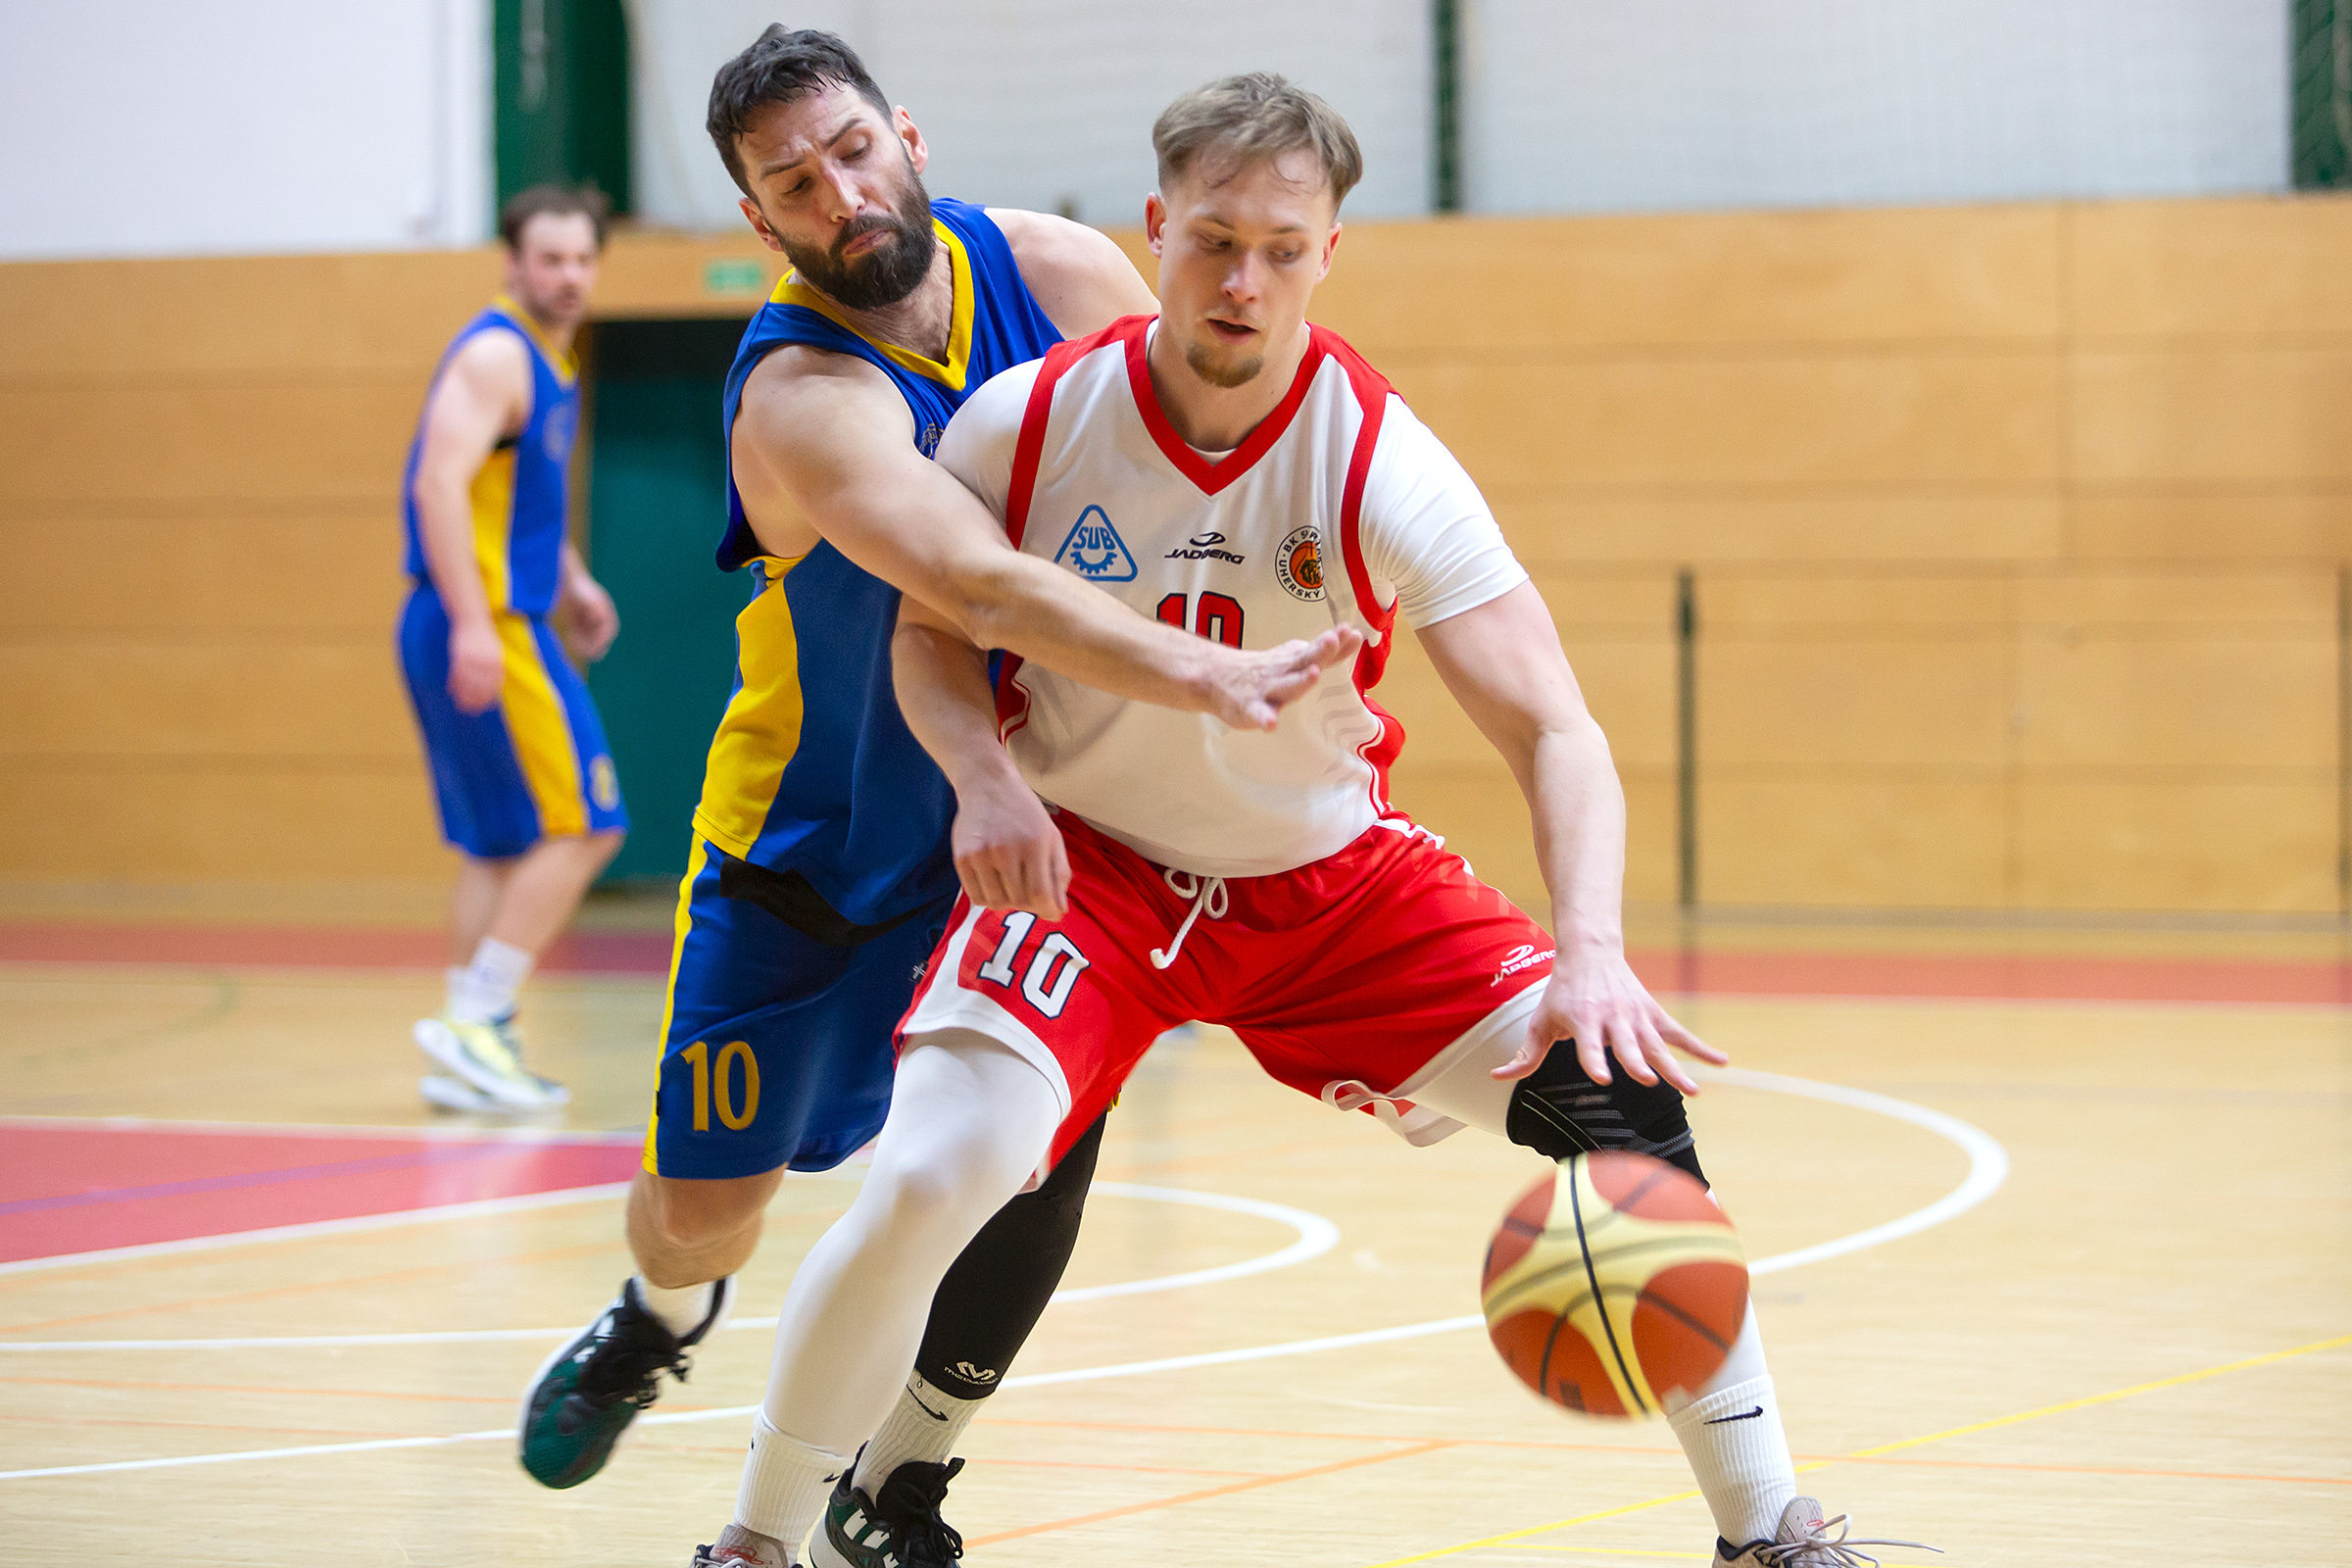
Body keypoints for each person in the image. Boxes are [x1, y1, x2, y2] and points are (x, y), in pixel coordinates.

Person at [708, 74, 1932, 1568]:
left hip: (1324, 882)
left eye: (1283, 251)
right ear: (1156, 231)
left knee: (1625, 1104)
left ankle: (1768, 1531)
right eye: (1215, 241)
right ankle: (771, 1539)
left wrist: (1594, 952)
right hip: (1092, 878)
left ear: (1328, 254)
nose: (1244, 281)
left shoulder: (1377, 455)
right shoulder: (1029, 422)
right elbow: (932, 634)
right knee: (932, 1178)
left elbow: (1557, 728)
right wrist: (984, 776)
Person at [513, 30, 1360, 1564]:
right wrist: (1203, 675)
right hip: (812, 849)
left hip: (1029, 836)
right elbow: (971, 586)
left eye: (851, 151)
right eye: (793, 183)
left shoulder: (1062, 270)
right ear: (757, 219)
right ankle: (655, 1317)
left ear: (905, 136)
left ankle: (895, 1481)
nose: (839, 195)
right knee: (702, 1210)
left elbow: (1210, 459)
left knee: (1013, 1160)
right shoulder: (798, 394)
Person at [398, 185, 626, 1114]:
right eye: (549, 258)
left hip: (488, 611)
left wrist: (572, 578)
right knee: (588, 824)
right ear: (512, 263)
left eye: (582, 259)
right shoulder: (498, 355)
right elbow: (438, 487)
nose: (568, 275)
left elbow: (513, 500)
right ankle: (480, 1018)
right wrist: (471, 621)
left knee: (498, 846)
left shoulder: (549, 362)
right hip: (484, 619)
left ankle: (468, 1042)